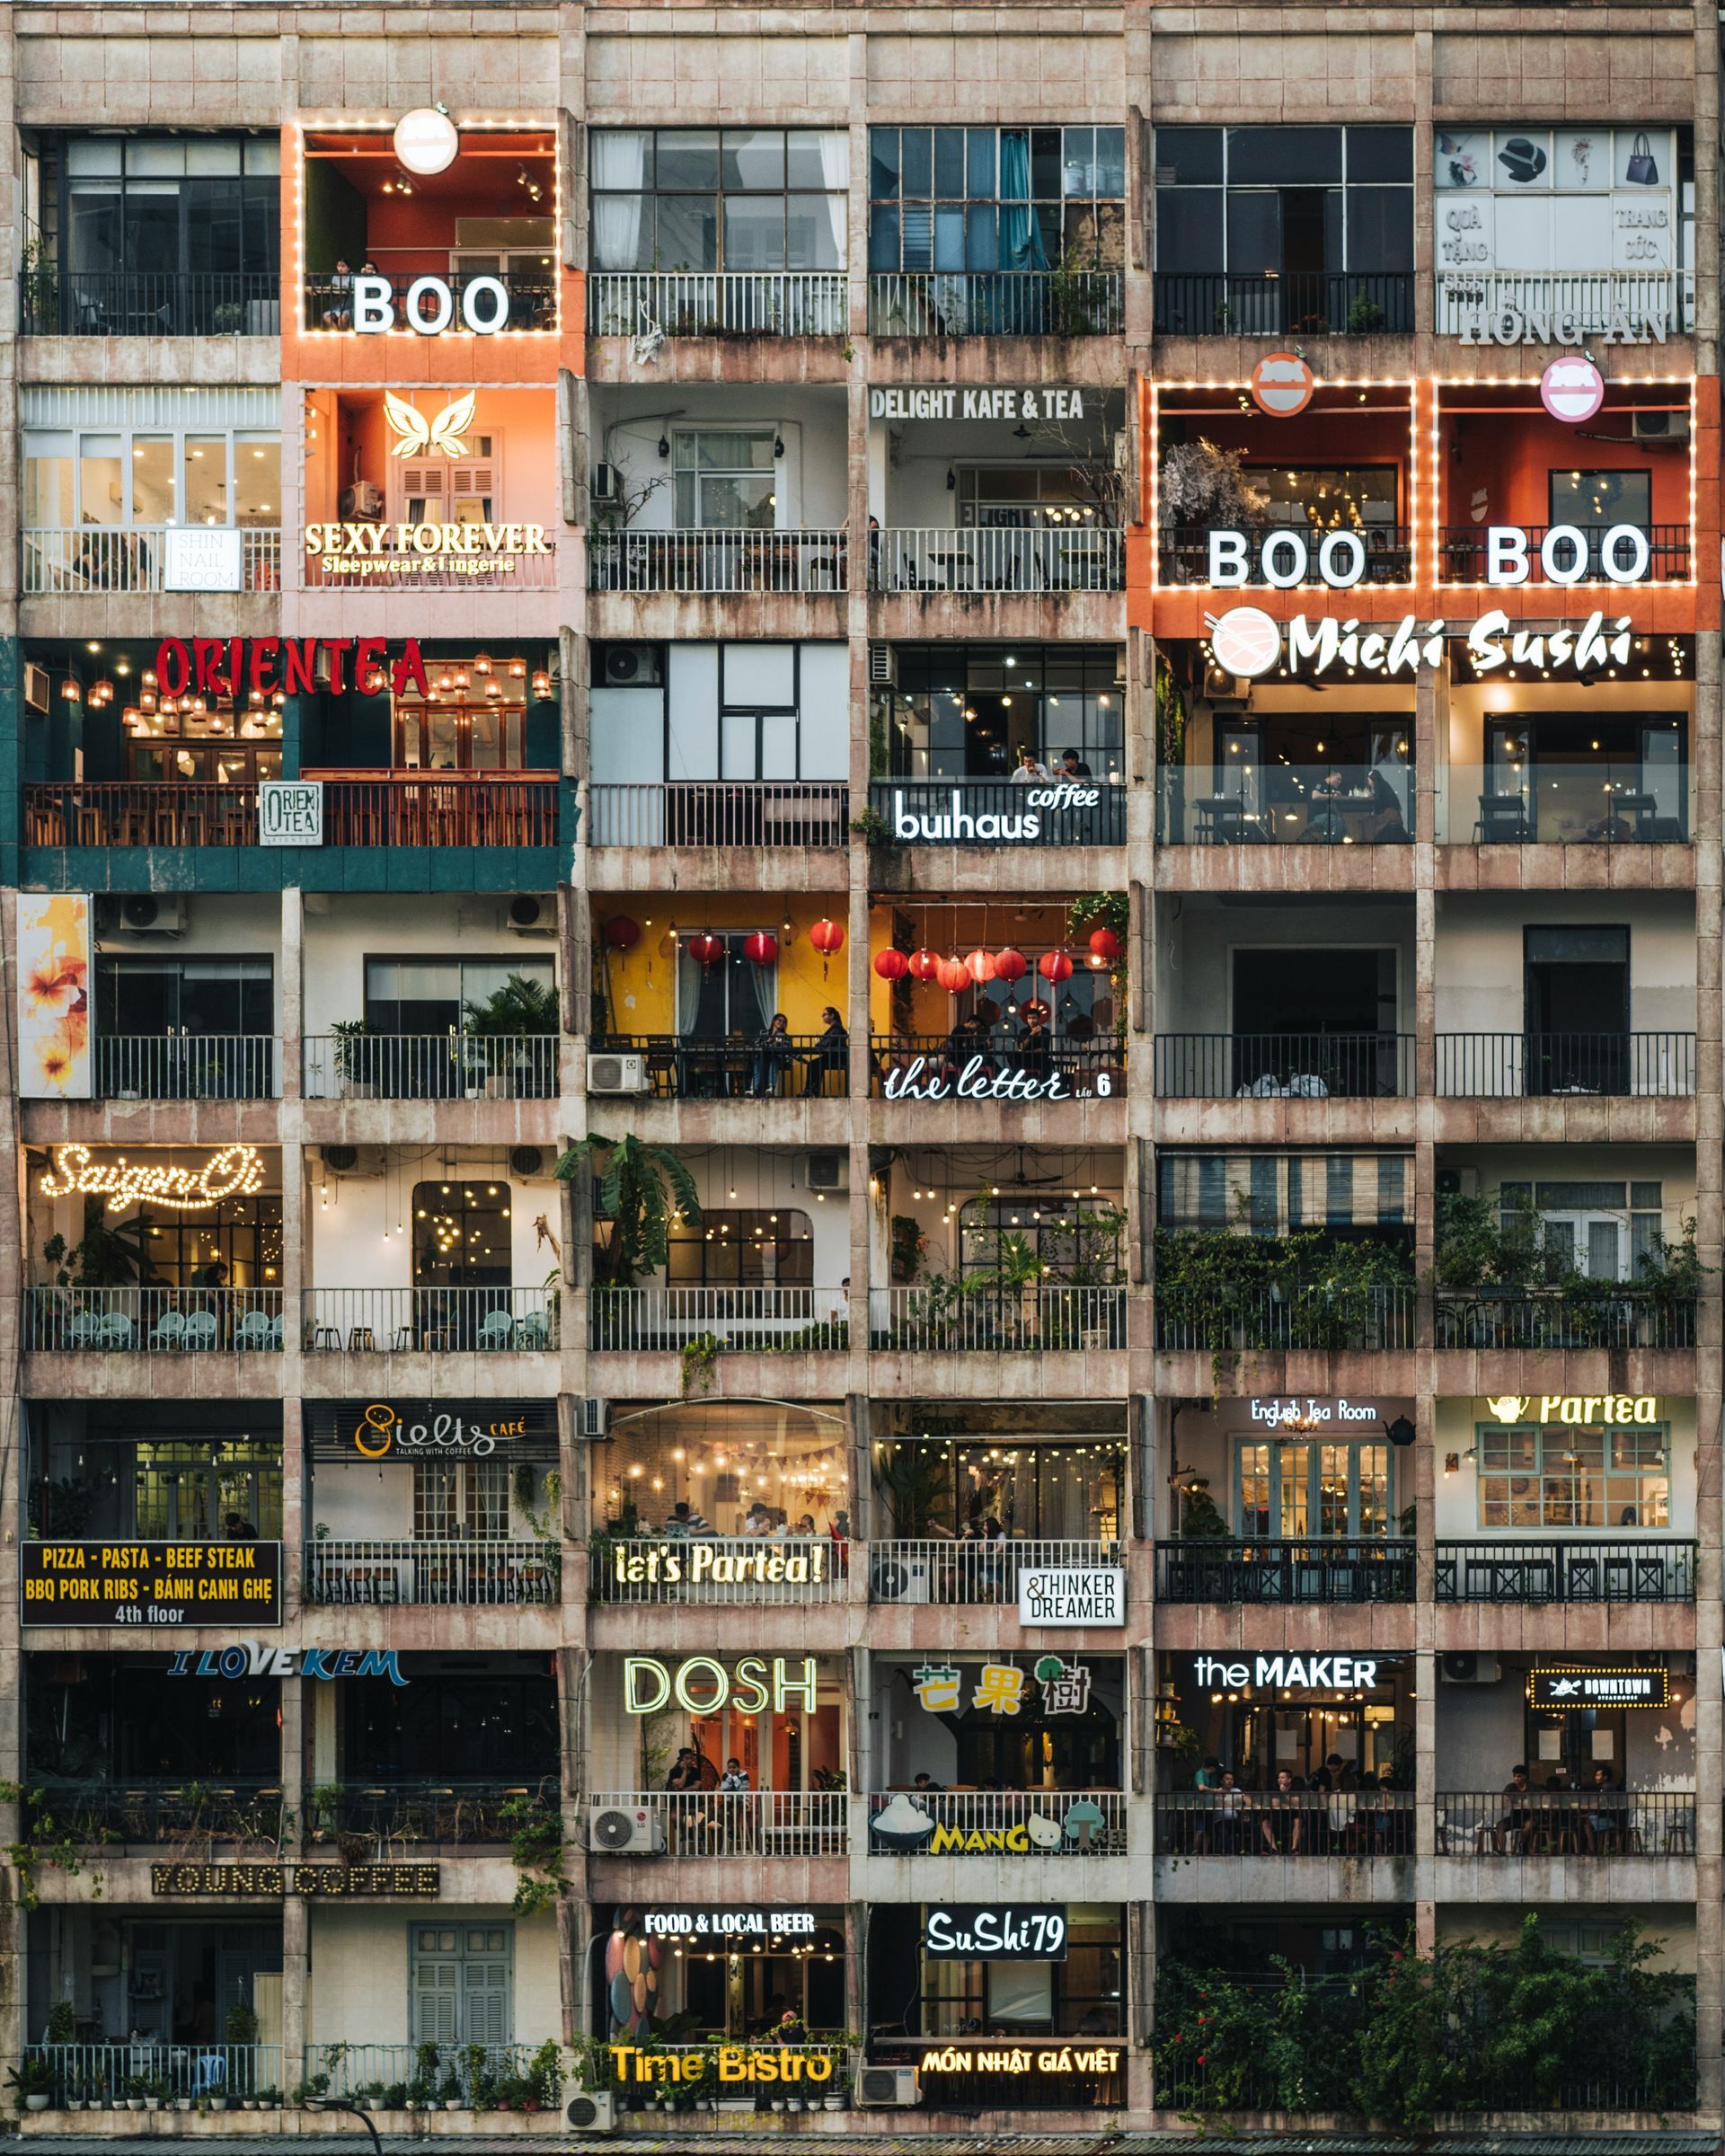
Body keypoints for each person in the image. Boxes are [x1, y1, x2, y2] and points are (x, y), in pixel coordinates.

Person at [1258, 1768, 1304, 1854]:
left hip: (1291, 1817)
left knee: (1298, 1821)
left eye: (1283, 1778)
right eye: (1279, 1777)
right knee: (1264, 1823)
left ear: (1289, 1780)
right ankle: (1274, 1849)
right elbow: (1274, 1803)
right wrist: (1288, 1800)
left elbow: (1297, 1802)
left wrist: (1284, 1793)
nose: (1280, 1780)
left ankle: (1294, 1849)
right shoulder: (1275, 1787)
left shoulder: (1295, 1788)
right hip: (1277, 1817)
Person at [749, 1012, 795, 1097]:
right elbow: (756, 1044)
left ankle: (771, 1088)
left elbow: (789, 1048)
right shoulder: (764, 1034)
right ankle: (753, 1089)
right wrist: (767, 1042)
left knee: (774, 1060)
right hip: (764, 1058)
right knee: (758, 1061)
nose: (781, 1023)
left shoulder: (786, 1037)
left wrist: (779, 1044)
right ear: (774, 1021)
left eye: (784, 1022)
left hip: (779, 1058)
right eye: (779, 1020)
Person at [806, 1006, 848, 1096]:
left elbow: (829, 1042)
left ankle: (812, 1090)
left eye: (824, 1014)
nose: (823, 1017)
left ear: (832, 1015)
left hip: (837, 1057)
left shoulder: (837, 1029)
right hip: (833, 1056)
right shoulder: (835, 1028)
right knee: (813, 1064)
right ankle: (811, 1090)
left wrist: (819, 1043)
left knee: (814, 1064)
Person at [1493, 1763, 1532, 1852]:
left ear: (1525, 1777)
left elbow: (1543, 1798)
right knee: (1500, 1826)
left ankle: (1522, 1845)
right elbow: (1504, 1801)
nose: (1516, 1778)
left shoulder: (1532, 1786)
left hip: (1531, 1815)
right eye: (1514, 1776)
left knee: (1528, 1826)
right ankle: (1502, 1850)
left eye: (1519, 1776)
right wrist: (1510, 1803)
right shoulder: (1510, 1787)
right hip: (1516, 1816)